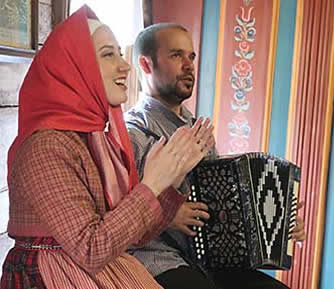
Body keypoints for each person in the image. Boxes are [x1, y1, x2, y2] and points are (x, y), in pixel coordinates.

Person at [0, 7, 214, 289]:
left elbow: (135, 235)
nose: (124, 66)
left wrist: (171, 179)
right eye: (107, 54)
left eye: (120, 54)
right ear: (75, 67)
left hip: (98, 269)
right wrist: (152, 184)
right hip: (53, 275)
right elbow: (91, 249)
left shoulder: (95, 140)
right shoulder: (46, 146)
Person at [125, 23, 306, 289]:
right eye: (177, 55)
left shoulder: (198, 130)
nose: (189, 65)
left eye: (192, 56)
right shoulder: (133, 133)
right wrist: (167, 215)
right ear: (145, 64)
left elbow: (221, 208)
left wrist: (277, 222)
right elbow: (117, 211)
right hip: (157, 261)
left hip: (207, 262)